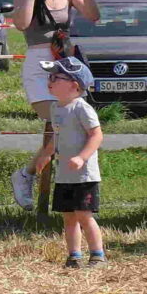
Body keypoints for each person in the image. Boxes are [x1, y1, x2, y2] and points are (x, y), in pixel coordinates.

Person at [7, 0, 100, 200]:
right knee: (61, 120)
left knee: (68, 124)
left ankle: (30, 175)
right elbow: (21, 24)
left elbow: (94, 15)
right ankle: (29, 176)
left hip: (64, 64)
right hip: (39, 63)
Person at [45, 59, 106, 268]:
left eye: (56, 77)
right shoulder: (55, 108)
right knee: (68, 216)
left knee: (84, 215)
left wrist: (81, 157)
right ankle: (74, 256)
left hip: (84, 175)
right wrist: (45, 155)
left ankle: (97, 255)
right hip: (64, 174)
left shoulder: (82, 108)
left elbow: (96, 135)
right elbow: (56, 137)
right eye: (50, 77)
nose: (50, 81)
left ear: (74, 85)